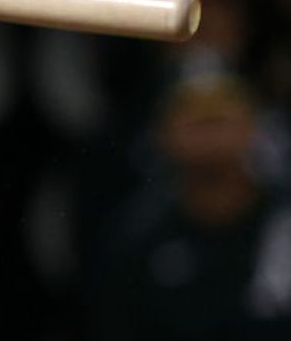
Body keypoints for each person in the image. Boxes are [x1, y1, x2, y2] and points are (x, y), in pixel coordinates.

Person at [89, 72, 291, 340]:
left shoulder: (283, 220)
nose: (210, 134)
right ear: (162, 133)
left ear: (252, 126)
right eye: (195, 121)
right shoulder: (138, 232)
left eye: (220, 119)